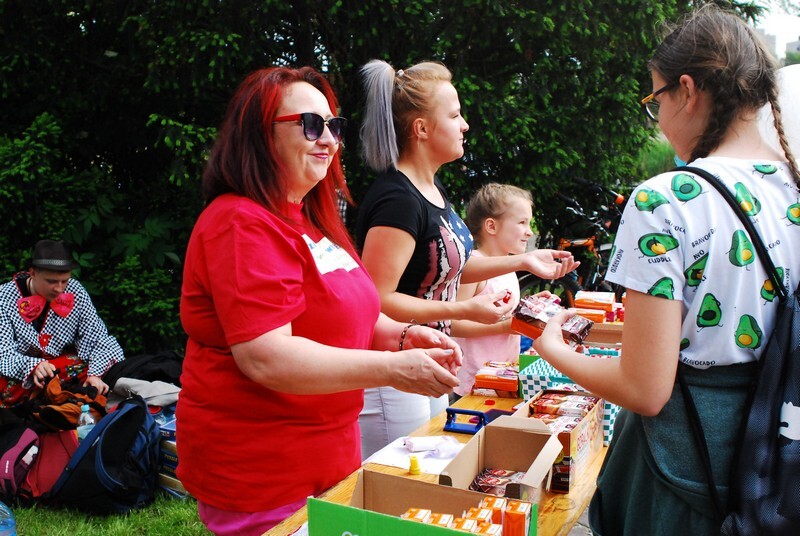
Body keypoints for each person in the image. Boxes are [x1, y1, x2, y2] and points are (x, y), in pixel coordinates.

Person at [532, 5, 800, 535]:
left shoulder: (666, 199)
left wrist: (553, 348)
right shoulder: (791, 188)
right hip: (770, 459)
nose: (656, 116)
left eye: (655, 99)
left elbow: (645, 388)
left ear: (687, 90)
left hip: (684, 468)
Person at [177, 66, 462, 535]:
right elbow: (267, 356)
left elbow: (350, 314)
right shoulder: (240, 222)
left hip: (325, 459)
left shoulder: (307, 219)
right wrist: (393, 369)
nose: (328, 140)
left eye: (334, 126)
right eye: (311, 125)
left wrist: (405, 337)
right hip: (264, 471)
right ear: (260, 135)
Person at [355, 59, 578, 458]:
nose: (465, 125)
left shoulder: (429, 189)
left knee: (425, 470)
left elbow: (448, 266)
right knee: (401, 478)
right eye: (455, 115)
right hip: (393, 369)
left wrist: (524, 262)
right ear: (421, 129)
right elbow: (376, 298)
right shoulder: (397, 200)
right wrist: (463, 309)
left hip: (427, 358)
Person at [0, 239, 124, 406]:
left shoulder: (75, 290)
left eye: (64, 281)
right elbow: (3, 353)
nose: (59, 289)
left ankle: (52, 395)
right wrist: (32, 366)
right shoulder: (4, 298)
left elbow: (99, 339)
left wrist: (94, 375)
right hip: (18, 373)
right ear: (32, 273)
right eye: (51, 281)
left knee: (97, 364)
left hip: (62, 368)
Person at [450, 183, 540, 398]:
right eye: (522, 222)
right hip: (474, 385)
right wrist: (504, 327)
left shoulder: (507, 266)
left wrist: (529, 306)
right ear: (491, 226)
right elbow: (452, 325)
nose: (529, 231)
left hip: (503, 378)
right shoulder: (474, 267)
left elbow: (504, 312)